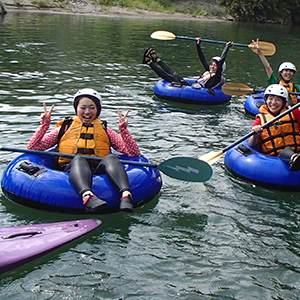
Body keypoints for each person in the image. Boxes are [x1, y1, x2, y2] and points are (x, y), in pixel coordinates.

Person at [27, 88, 140, 213]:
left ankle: (125, 194)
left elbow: (132, 152)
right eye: (83, 107)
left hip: (96, 169)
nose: (87, 112)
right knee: (79, 159)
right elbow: (33, 147)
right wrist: (44, 125)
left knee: (112, 158)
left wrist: (124, 130)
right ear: (76, 108)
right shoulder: (65, 128)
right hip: (71, 168)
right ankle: (87, 196)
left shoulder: (106, 130)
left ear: (97, 110)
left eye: (92, 107)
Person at [142, 39, 233, 89]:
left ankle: (149, 63)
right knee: (174, 74)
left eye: (215, 65)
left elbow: (221, 61)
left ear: (219, 69)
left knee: (171, 77)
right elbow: (202, 58)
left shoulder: (216, 78)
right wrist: (198, 45)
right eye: (212, 64)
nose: (212, 66)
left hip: (196, 90)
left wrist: (226, 48)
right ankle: (157, 60)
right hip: (190, 86)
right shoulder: (208, 72)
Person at [249, 84, 300, 172]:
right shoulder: (260, 120)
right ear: (266, 100)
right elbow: (251, 144)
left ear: (284, 102)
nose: (273, 103)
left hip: (297, 148)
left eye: (278, 100)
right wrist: (256, 135)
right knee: (285, 150)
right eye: (271, 98)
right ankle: (294, 158)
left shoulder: (293, 112)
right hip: (275, 156)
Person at [252, 38, 300, 106]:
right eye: (286, 71)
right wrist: (260, 52)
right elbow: (267, 67)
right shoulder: (274, 83)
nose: (288, 73)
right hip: (279, 109)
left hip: (292, 110)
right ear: (281, 72)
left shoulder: (296, 87)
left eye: (291, 71)